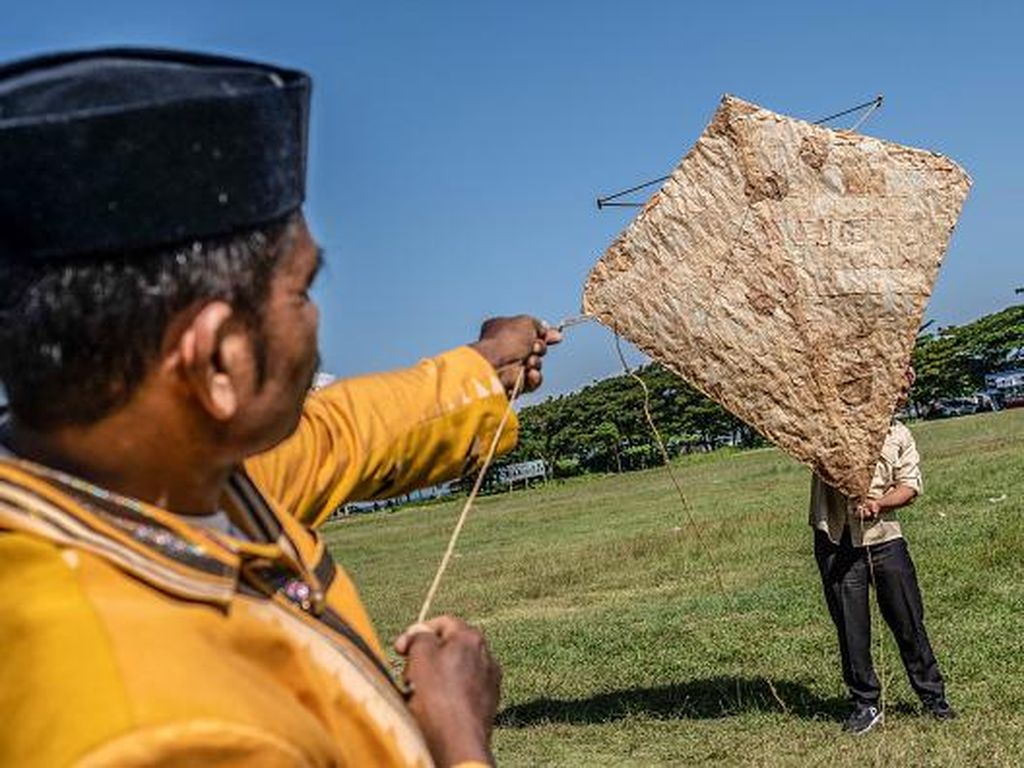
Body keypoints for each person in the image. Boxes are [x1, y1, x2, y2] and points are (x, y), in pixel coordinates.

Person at [0, 49, 560, 767]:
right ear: (217, 359)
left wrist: (483, 367)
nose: (315, 320)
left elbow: (342, 434)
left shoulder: (156, 476)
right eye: (301, 290)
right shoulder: (148, 732)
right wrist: (458, 738)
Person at [809, 367, 955, 735]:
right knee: (851, 627)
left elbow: (909, 487)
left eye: (907, 388)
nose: (904, 393)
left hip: (885, 539)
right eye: (898, 386)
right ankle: (865, 703)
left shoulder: (900, 435)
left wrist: (877, 504)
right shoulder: (831, 427)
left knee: (908, 620)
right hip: (837, 541)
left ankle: (933, 698)